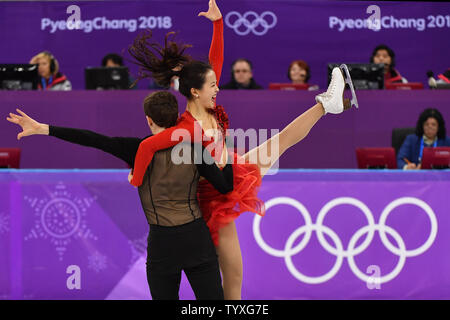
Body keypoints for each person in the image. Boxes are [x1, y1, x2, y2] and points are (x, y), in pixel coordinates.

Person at [127, 0, 356, 300]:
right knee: (225, 284)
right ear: (196, 91)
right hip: (207, 202)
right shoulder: (184, 127)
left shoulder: (207, 105)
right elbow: (147, 146)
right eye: (212, 84)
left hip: (228, 180)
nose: (218, 87)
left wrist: (218, 24)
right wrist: (137, 177)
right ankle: (327, 104)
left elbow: (216, 58)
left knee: (233, 281)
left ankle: (327, 104)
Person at [7, 91, 234, 300]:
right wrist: (227, 153)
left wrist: (43, 128)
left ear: (148, 120)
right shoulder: (196, 149)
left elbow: (92, 139)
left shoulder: (136, 149)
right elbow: (225, 187)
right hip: (196, 238)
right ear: (176, 117)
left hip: (163, 244)